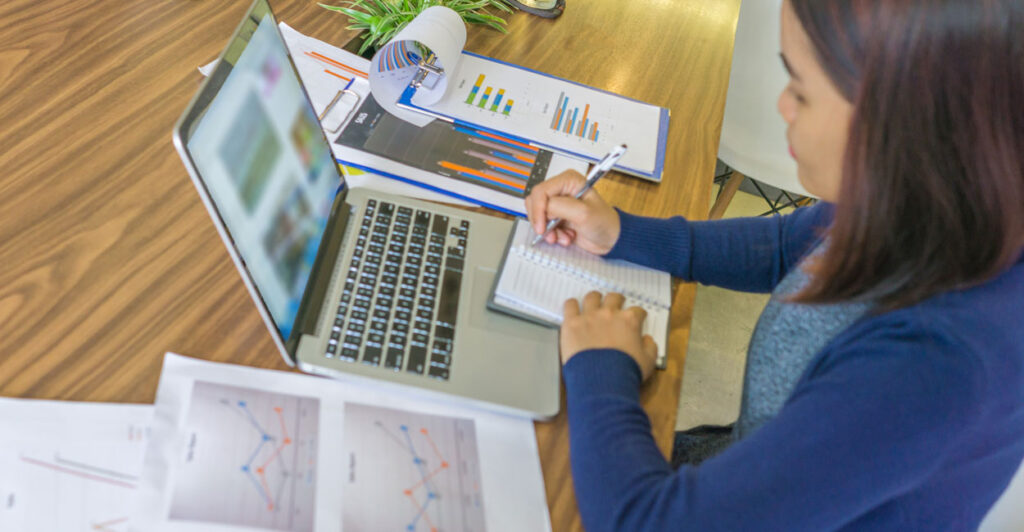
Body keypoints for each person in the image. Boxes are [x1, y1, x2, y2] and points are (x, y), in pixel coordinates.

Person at [524, 0, 1024, 529]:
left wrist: (603, 366)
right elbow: (792, 245)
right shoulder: (932, 193)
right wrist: (623, 233)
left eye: (802, 91)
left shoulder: (935, 364)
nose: (783, 105)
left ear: (902, 124)